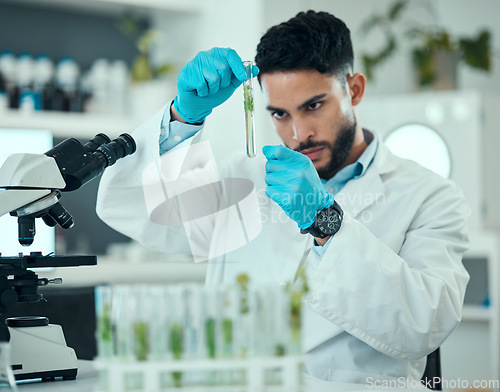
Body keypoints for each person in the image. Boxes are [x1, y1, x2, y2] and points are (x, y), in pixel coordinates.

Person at [96, 10, 470, 384]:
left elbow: (425, 324)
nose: (298, 133)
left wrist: (324, 222)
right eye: (279, 114)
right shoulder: (245, 178)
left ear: (354, 89)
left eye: (314, 105)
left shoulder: (431, 195)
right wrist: (183, 118)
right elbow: (131, 207)